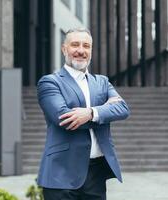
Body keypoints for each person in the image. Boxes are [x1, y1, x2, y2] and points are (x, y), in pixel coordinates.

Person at [36, 28, 130, 200]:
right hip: (61, 173)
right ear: (64, 49)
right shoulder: (50, 82)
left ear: (91, 51)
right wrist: (104, 112)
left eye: (86, 46)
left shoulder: (101, 82)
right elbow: (64, 118)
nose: (81, 50)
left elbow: (123, 108)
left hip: (95, 174)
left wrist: (91, 113)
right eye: (75, 45)